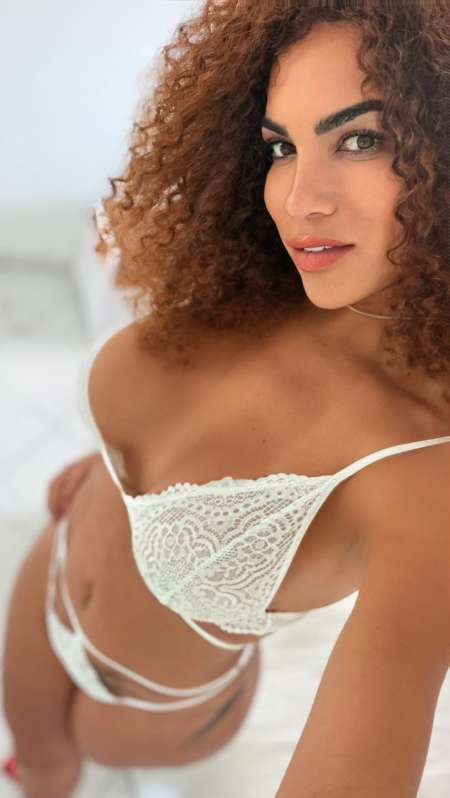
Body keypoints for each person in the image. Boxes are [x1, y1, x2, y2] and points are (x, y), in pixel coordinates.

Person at [2, 2, 449, 796]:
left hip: (153, 708)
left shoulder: (422, 473)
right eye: (281, 146)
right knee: (40, 768)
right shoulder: (244, 275)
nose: (300, 200)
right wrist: (108, 468)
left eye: (361, 139)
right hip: (49, 570)